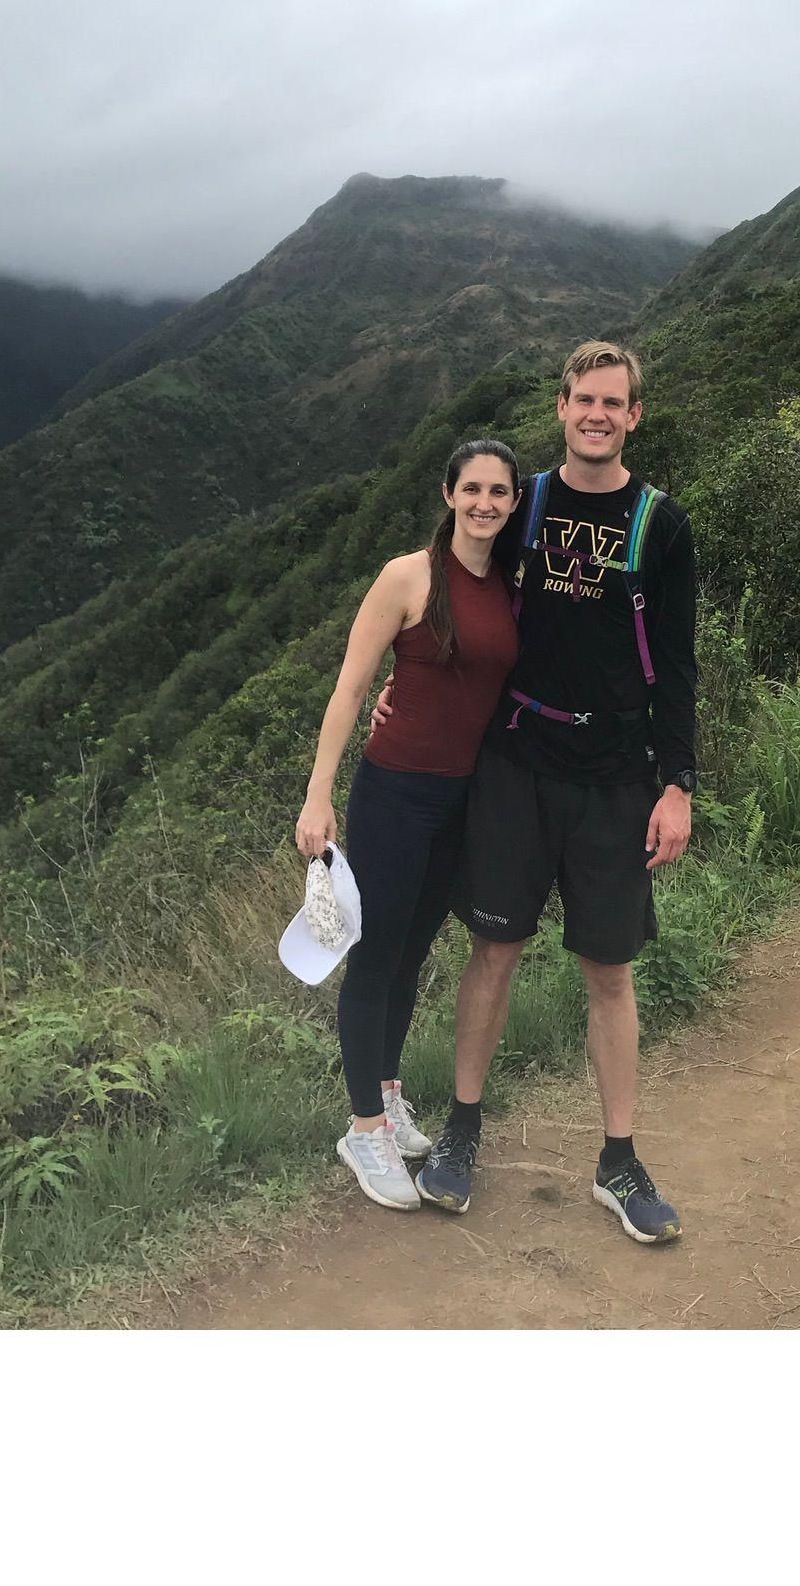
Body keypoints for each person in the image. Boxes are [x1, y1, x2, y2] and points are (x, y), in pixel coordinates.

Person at [403, 340, 698, 1243]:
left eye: (613, 402)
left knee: (608, 970)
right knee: (493, 949)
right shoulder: (519, 501)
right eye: (583, 399)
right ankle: (461, 1131)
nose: (596, 414)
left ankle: (619, 1160)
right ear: (561, 406)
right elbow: (449, 593)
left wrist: (677, 784)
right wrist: (404, 685)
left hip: (614, 775)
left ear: (633, 415)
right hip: (517, 762)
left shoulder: (660, 524)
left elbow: (677, 664)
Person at [295, 438, 522, 1210]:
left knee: (412, 952)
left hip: (460, 798)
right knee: (374, 956)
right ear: (448, 494)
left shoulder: (509, 584)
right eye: (472, 488)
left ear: (512, 502)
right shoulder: (408, 576)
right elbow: (351, 687)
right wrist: (317, 794)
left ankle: (386, 1094)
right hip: (394, 793)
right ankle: (362, 1128)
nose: (484, 502)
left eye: (498, 491)